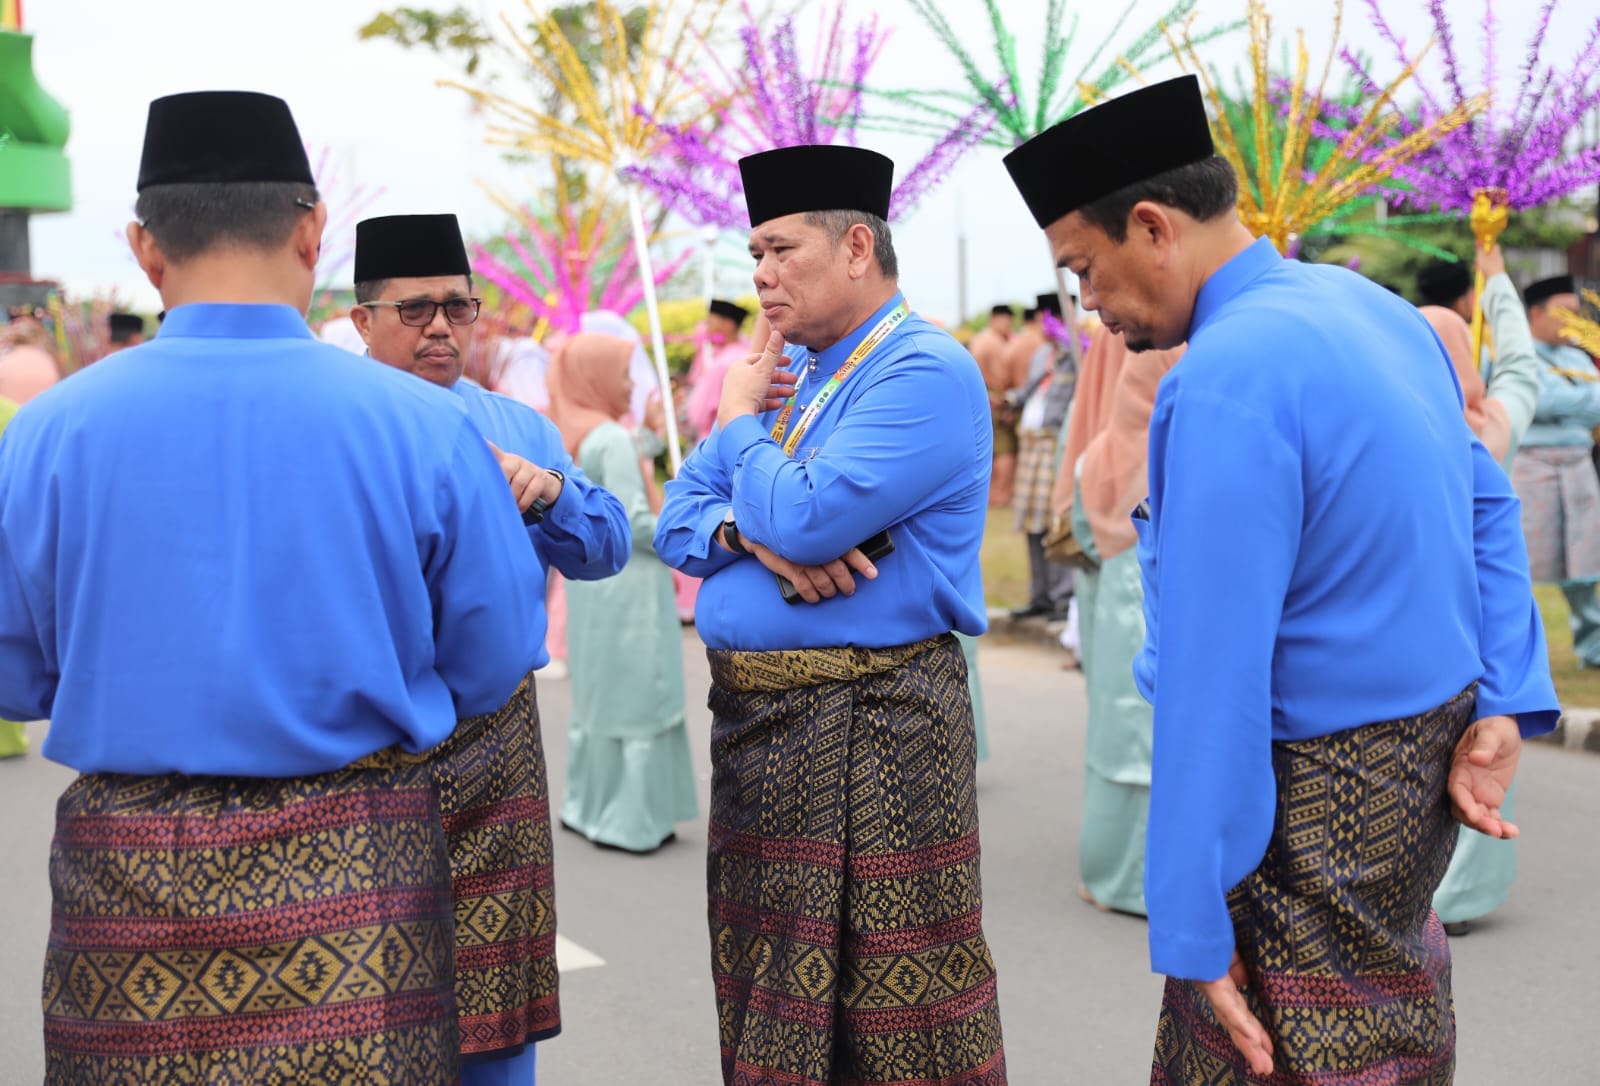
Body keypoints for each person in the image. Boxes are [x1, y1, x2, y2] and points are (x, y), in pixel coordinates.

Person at [1004, 74, 1558, 1083]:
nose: (1088, 304)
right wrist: (1507, 695)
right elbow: (1485, 503)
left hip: (1309, 808)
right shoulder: (1377, 310)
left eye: (1084, 269)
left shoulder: (1224, 376)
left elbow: (1213, 675)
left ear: (1151, 225)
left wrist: (1187, 918)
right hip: (1417, 774)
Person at [0, 90, 545, 1082]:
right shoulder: (425, 427)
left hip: (129, 894)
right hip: (356, 883)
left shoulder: (46, 433)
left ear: (144, 248)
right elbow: (494, 654)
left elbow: (16, 674)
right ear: (311, 231)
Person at [654, 143, 1006, 1085]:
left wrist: (740, 428)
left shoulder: (920, 369)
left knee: (896, 1012)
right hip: (761, 733)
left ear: (856, 248)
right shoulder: (794, 374)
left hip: (875, 724)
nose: (761, 276)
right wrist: (750, 531)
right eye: (754, 254)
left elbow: (811, 519)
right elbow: (676, 521)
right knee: (771, 999)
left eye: (781, 250)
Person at [350, 212, 629, 1083]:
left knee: (495, 997)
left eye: (458, 307)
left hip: (494, 744)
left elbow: (608, 548)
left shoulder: (518, 427)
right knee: (364, 994)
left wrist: (550, 492)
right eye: (415, 309)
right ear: (363, 320)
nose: (440, 327)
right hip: (366, 745)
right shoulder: (335, 425)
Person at [1420, 247, 1542, 937]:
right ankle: (1460, 895)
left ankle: (1420, 890)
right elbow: (1520, 367)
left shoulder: (1395, 436)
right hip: (1493, 615)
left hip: (1425, 622)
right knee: (1488, 744)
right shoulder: (1495, 425)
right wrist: (1495, 280)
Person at [544, 332, 698, 853]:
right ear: (598, 378)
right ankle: (633, 820)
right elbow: (632, 522)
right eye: (625, 374)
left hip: (594, 587)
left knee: (601, 695)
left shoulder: (580, 430)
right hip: (631, 586)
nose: (632, 385)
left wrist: (649, 437)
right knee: (639, 696)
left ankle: (589, 806)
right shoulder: (611, 436)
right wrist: (692, 530)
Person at [1052, 327, 1183, 916]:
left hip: (1116, 586)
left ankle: (1114, 874)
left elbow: (1083, 527)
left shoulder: (1103, 453)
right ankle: (1154, 880)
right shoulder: (1190, 435)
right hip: (1160, 586)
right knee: (1154, 730)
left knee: (1119, 723)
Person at [1516, 273, 1600, 669]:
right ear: (1536, 313)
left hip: (1578, 463)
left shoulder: (1578, 358)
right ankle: (1518, 650)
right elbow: (1536, 400)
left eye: (1576, 313)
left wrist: (1566, 402)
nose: (1572, 322)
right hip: (1531, 465)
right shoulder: (1516, 355)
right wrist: (1578, 400)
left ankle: (1593, 645)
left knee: (1586, 560)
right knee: (1523, 560)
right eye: (1563, 312)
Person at [1009, 292, 1075, 622]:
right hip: (1030, 444)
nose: (1038, 326)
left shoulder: (1077, 352)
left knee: (1054, 520)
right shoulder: (1040, 354)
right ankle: (1041, 596)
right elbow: (1029, 391)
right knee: (1031, 523)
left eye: (1042, 320)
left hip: (1056, 443)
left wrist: (1068, 344)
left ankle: (1063, 597)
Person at [685, 298, 753, 441]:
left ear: (728, 325)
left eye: (710, 322)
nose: (706, 329)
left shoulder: (722, 364)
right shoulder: (750, 351)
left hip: (716, 439)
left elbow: (698, 416)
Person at [970, 302, 1017, 506]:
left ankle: (994, 493)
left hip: (984, 398)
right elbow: (999, 377)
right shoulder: (993, 342)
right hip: (994, 398)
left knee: (991, 449)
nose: (1009, 325)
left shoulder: (980, 339)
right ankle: (1000, 494)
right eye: (1007, 321)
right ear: (998, 319)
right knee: (1004, 449)